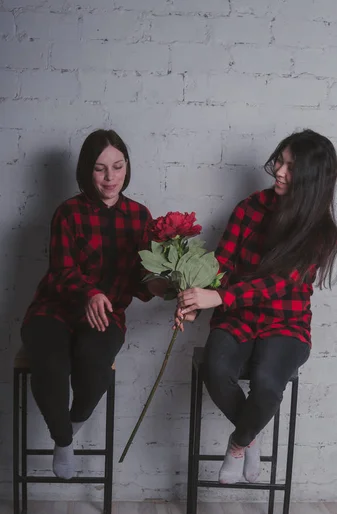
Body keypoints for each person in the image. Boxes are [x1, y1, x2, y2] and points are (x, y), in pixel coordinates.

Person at [176, 129, 337, 484]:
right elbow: (221, 265)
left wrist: (221, 297)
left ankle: (238, 442)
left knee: (266, 384)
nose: (279, 171)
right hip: (237, 317)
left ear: (311, 179)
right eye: (280, 161)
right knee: (215, 371)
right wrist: (196, 301)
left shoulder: (320, 231)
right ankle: (251, 433)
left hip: (287, 322)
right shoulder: (250, 207)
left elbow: (281, 284)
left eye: (291, 168)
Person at [21, 129, 165, 480]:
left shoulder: (140, 217)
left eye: (117, 167)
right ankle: (63, 440)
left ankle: (71, 425)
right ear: (87, 170)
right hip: (55, 308)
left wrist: (167, 285)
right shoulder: (68, 212)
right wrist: (89, 293)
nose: (110, 177)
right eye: (101, 169)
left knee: (94, 362)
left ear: (127, 167)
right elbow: (61, 270)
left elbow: (141, 280)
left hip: (106, 314)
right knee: (50, 363)